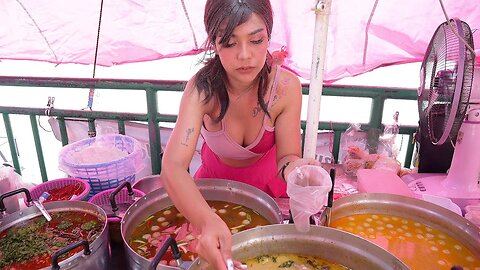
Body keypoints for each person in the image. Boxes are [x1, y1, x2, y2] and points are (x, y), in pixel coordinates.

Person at [160, 0, 320, 268]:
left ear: (268, 36)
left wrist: (295, 170)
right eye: (230, 43)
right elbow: (173, 165)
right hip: (213, 193)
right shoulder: (202, 89)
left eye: (256, 40)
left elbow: (288, 156)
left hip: (268, 193)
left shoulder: (286, 88)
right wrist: (207, 219)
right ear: (214, 42)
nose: (245, 55)